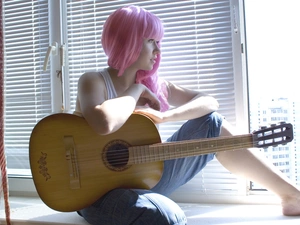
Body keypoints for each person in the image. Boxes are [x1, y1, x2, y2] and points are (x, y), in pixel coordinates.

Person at [74, 5, 300, 225]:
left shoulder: (155, 85)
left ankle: (292, 196)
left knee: (211, 122)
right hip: (96, 193)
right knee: (165, 217)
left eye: (158, 42)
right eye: (151, 41)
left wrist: (166, 117)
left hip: (143, 181)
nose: (158, 50)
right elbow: (103, 122)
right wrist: (137, 90)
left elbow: (210, 102)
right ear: (128, 40)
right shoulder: (94, 81)